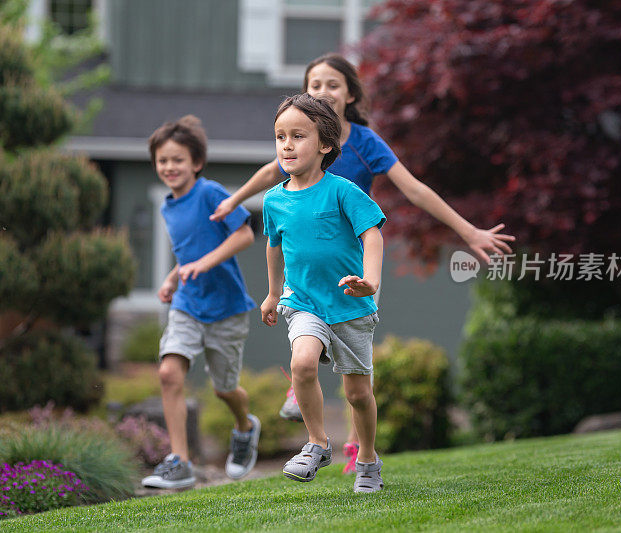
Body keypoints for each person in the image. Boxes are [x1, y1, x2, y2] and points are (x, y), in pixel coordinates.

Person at [212, 53, 515, 473]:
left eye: (332, 84)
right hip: (305, 280)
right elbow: (271, 173)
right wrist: (232, 199)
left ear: (350, 95)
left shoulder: (365, 144)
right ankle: (308, 393)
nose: (322, 91)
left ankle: (360, 450)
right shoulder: (292, 155)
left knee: (356, 385)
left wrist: (468, 231)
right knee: (307, 349)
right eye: (313, 84)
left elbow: (415, 191)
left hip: (355, 269)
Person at [262, 93, 386, 493]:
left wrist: (370, 280)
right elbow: (274, 247)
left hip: (349, 305)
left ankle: (367, 458)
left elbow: (372, 234)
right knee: (301, 364)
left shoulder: (343, 191)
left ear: (326, 145)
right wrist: (271, 294)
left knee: (358, 393)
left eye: (298, 136)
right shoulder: (274, 200)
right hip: (302, 302)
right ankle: (317, 443)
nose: (286, 144)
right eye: (280, 136)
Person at [140, 115, 261, 489]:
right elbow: (188, 252)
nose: (169, 167)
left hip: (226, 309)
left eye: (177, 160)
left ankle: (245, 427)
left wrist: (202, 264)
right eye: (163, 160)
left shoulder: (210, 193)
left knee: (224, 389)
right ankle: (181, 462)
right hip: (188, 305)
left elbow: (244, 234)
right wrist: (172, 278)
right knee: (168, 373)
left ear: (195, 163)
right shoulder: (167, 207)